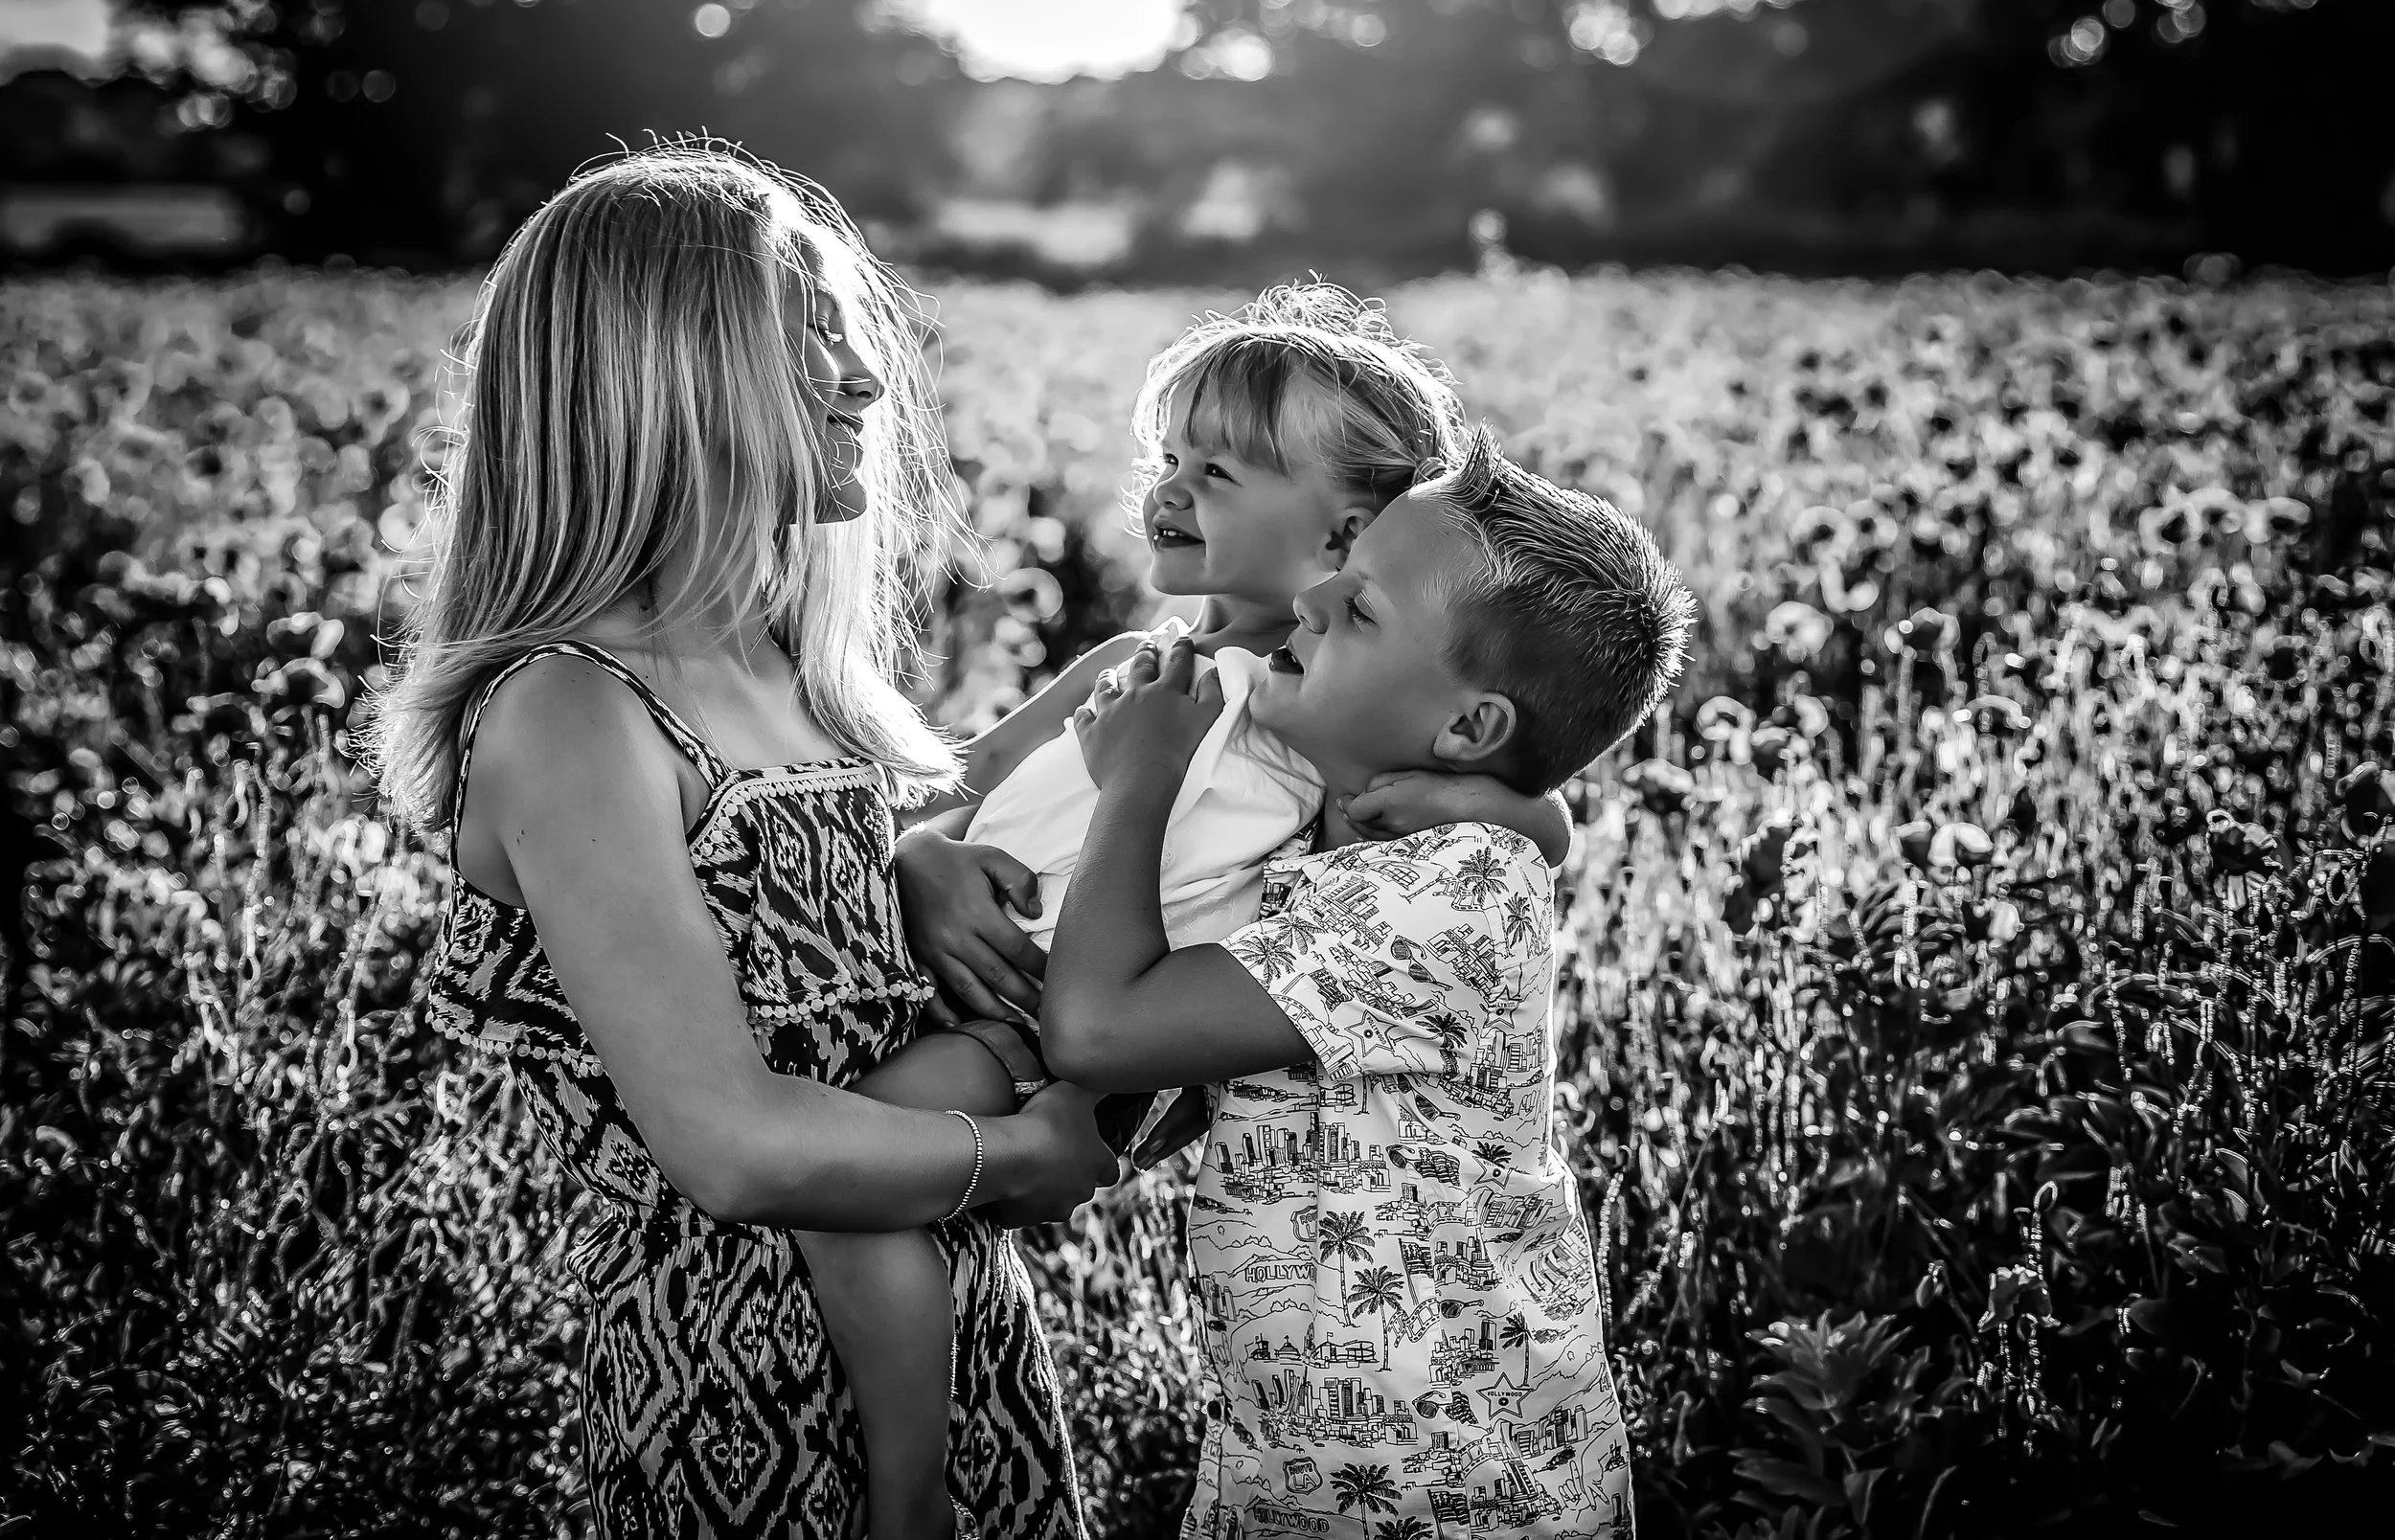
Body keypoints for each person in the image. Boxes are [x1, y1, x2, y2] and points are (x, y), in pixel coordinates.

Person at [374, 145, 1112, 1539]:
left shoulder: (783, 663)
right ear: (660, 371)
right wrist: (1023, 1157)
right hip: (746, 1390)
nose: (865, 376)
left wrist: (915, 853)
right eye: (808, 330)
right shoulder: (574, 708)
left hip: (953, 1335)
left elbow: (823, 922)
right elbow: (731, 1142)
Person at [815, 287, 1577, 1537]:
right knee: (851, 1157)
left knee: (853, 1162)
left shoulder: (1310, 713)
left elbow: (1531, 828)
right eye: (1165, 456)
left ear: (1346, 534)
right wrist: (920, 859)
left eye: (1215, 470)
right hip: (969, 973)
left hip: (1044, 1034)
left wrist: (1473, 795)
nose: (1167, 488)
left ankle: (910, 1488)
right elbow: (938, 795)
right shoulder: (1122, 670)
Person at [1040, 429, 1697, 1539]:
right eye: (1338, 569)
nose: (1311, 601)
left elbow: (1097, 1028)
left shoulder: (1452, 885)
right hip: (1298, 1460)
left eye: (1361, 609)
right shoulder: (1357, 825)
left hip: (1460, 1490)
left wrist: (1138, 774)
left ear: (1469, 727)